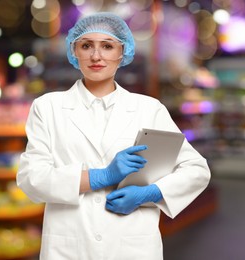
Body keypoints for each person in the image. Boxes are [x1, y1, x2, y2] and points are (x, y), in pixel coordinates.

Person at [17, 12, 211, 260]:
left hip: (131, 247)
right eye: (86, 45)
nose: (96, 56)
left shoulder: (149, 109)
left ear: (123, 52)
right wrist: (103, 176)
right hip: (69, 248)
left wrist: (151, 193)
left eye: (107, 46)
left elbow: (197, 169)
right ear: (74, 51)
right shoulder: (48, 107)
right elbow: (32, 178)